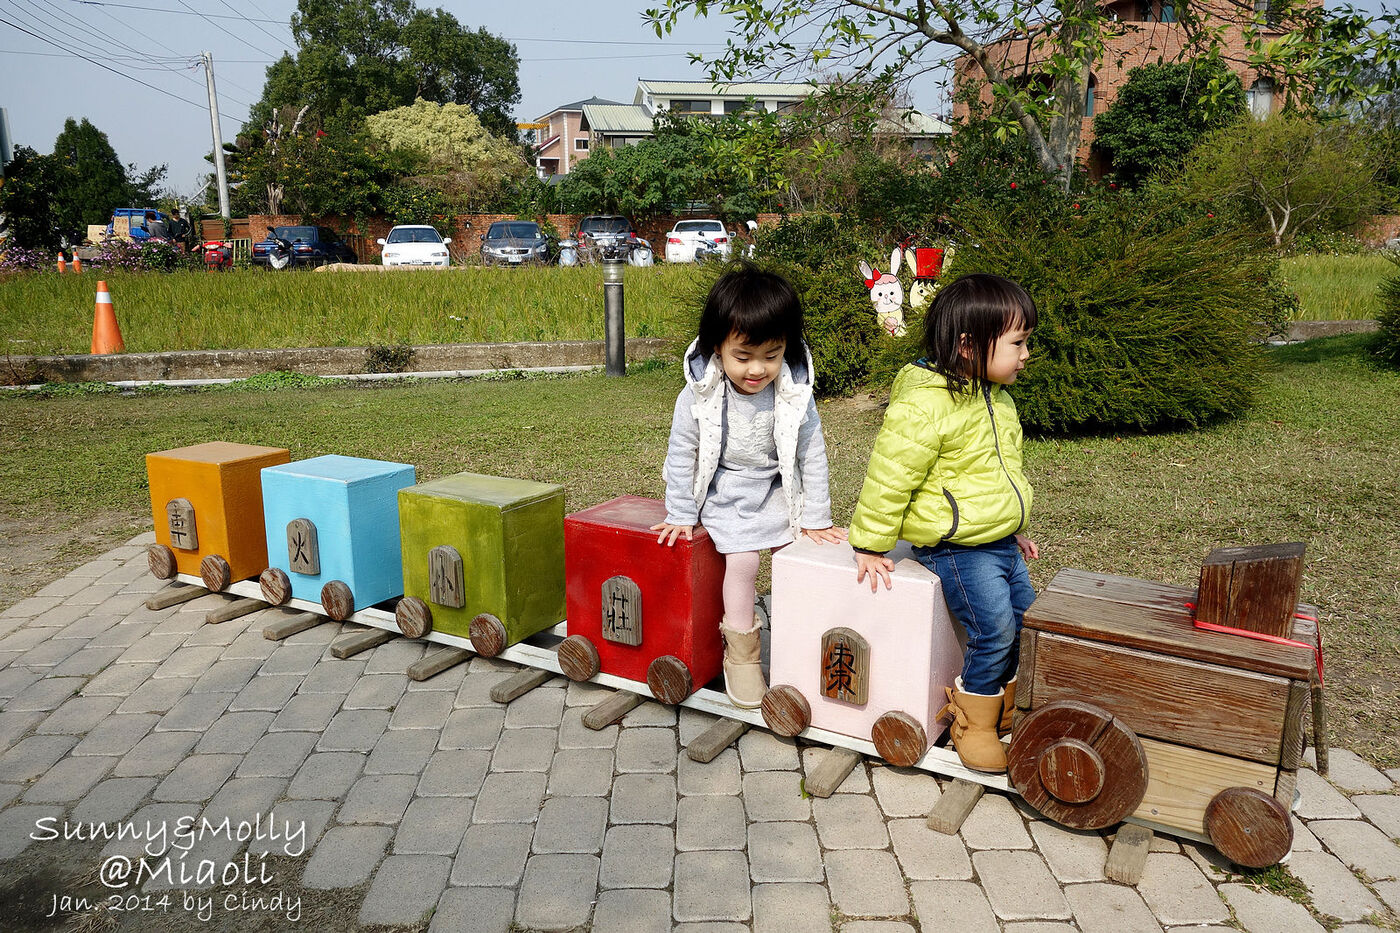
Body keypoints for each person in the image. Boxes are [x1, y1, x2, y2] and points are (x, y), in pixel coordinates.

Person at [848, 273, 1039, 774]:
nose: (1025, 354)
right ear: (968, 345)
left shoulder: (996, 396)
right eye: (1018, 343)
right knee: (993, 627)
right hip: (957, 548)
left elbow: (997, 474)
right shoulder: (926, 404)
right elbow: (889, 477)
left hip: (997, 541)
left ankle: (1008, 712)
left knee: (1027, 621)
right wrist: (870, 544)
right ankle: (972, 722)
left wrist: (1011, 523)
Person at [653, 264, 846, 708]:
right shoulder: (699, 394)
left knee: (792, 560)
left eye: (772, 355)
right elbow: (682, 452)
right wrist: (680, 513)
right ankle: (741, 658)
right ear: (716, 347)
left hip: (777, 493)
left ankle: (795, 652)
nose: (758, 369)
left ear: (788, 349)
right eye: (744, 356)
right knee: (740, 562)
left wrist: (816, 517)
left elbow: (810, 454)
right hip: (724, 493)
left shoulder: (796, 391)